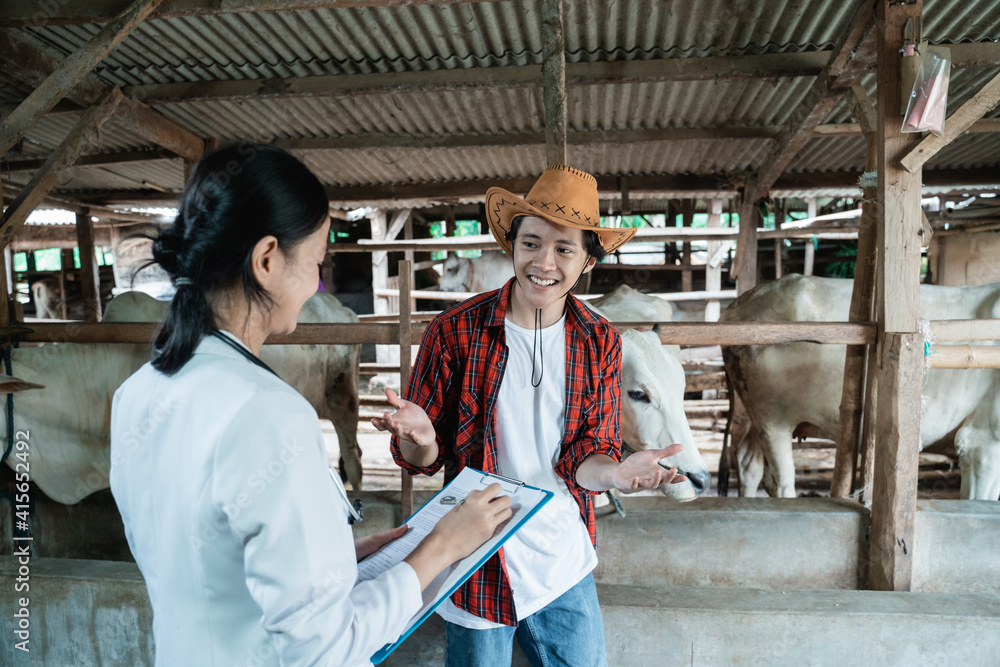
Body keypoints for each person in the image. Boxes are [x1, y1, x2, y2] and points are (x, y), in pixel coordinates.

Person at [110, 144, 512, 667]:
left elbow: (210, 564)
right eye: (317, 263)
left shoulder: (136, 393)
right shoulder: (269, 413)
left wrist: (335, 563)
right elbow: (324, 648)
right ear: (268, 260)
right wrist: (441, 548)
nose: (317, 285)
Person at [373, 164, 687, 666]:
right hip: (477, 554)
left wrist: (617, 473)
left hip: (561, 553)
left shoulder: (598, 340)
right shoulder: (454, 332)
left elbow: (587, 453)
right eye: (532, 244)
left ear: (587, 260)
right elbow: (421, 458)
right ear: (512, 246)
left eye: (564, 249)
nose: (545, 262)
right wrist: (424, 437)